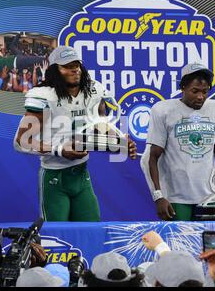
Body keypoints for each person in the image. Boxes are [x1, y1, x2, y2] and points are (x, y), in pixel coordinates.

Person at [14, 46, 137, 222]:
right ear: (55, 70)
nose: (74, 69)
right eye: (67, 65)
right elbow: (21, 141)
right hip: (55, 177)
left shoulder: (92, 91)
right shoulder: (45, 96)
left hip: (81, 174)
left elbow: (98, 124)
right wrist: (59, 150)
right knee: (57, 236)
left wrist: (119, 142)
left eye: (76, 64)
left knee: (91, 230)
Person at [141, 63, 215, 221]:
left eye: (205, 92)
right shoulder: (163, 110)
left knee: (210, 244)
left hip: (210, 197)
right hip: (176, 198)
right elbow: (151, 158)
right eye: (195, 91)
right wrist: (158, 196)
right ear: (182, 87)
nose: (200, 97)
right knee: (179, 244)